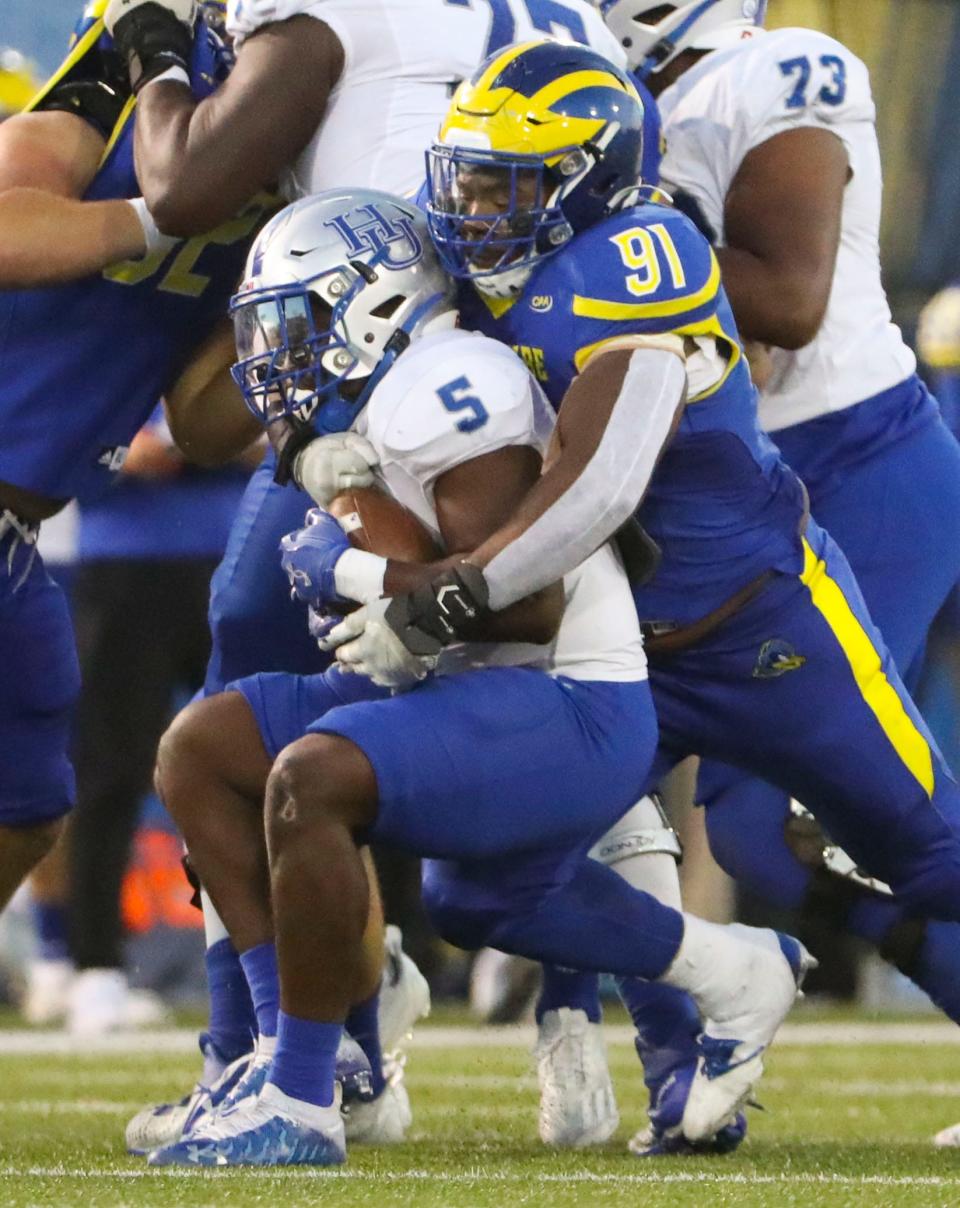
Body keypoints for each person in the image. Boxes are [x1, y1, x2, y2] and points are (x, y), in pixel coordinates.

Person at [316, 37, 960, 1155]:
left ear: (593, 178)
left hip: (769, 627)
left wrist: (448, 600)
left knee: (927, 846)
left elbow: (598, 486)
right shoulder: (478, 267)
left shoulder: (639, 257)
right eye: (466, 174)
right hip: (629, 659)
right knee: (480, 887)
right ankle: (717, 997)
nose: (471, 205)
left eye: (506, 181)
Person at [145, 186, 809, 1167]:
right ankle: (289, 1042)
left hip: (566, 692)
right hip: (470, 681)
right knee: (206, 746)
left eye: (297, 320)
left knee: (313, 778)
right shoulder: (380, 394)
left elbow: (523, 598)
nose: (274, 355)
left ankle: (304, 1099)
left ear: (373, 303)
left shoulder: (448, 383)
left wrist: (355, 566)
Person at [101, 0, 650, 1156]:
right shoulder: (568, 33)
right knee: (253, 727)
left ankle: (285, 1051)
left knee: (280, 674)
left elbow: (184, 187)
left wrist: (148, 55)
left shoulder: (337, 23)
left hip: (427, 392)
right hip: (504, 388)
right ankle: (490, 1014)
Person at [575, 0, 960, 1154]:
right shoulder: (589, 92)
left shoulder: (779, 67)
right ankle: (664, 1058)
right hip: (717, 496)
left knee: (814, 818)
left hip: (855, 466)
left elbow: (787, 301)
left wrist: (602, 222)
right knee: (702, 820)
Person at [0, 0, 267, 957]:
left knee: (29, 810)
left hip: (21, 536)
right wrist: (168, 213)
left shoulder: (299, 177)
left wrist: (292, 332)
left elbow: (198, 421)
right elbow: (8, 230)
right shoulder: (122, 76)